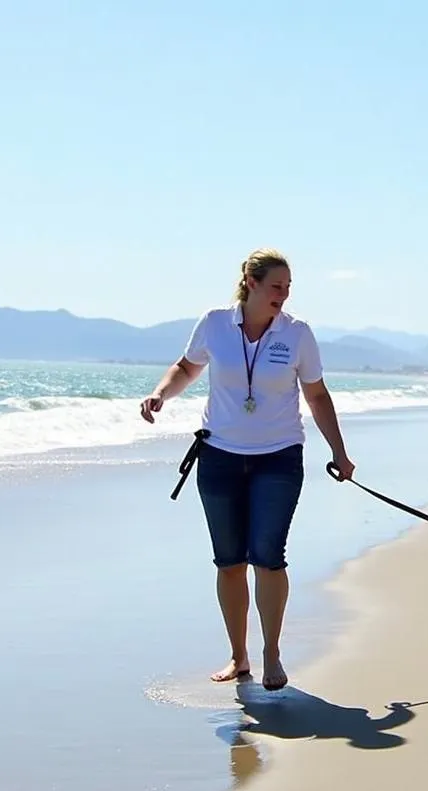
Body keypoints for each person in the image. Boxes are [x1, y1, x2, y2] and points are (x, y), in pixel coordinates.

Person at [140, 248, 355, 691]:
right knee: (229, 561)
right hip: (218, 457)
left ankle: (271, 652)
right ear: (251, 283)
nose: (284, 294)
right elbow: (187, 367)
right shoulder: (216, 323)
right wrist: (162, 393)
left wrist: (339, 450)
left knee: (268, 558)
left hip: (278, 458)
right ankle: (238, 657)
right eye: (277, 285)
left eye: (289, 287)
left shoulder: (297, 334)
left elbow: (316, 395)